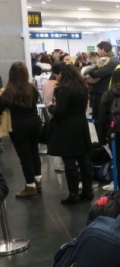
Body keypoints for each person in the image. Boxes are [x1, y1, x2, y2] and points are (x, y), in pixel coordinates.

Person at [47, 65, 94, 204]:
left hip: (66, 128)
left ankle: (73, 194)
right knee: (84, 160)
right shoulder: (83, 87)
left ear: (62, 73)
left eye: (57, 74)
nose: (56, 77)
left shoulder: (64, 89)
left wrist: (51, 107)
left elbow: (60, 111)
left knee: (69, 162)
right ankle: (88, 191)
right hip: (81, 125)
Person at [0, 62, 42, 197]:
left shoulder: (8, 92)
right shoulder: (33, 89)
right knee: (34, 152)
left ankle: (30, 186)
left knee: (25, 157)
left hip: (18, 127)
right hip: (35, 124)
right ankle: (38, 181)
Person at [88, 41, 120, 131]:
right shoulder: (104, 60)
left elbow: (96, 73)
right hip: (99, 93)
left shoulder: (112, 61)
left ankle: (103, 141)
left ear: (103, 50)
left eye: (98, 49)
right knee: (97, 117)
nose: (97, 51)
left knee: (101, 118)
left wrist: (88, 69)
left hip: (103, 93)